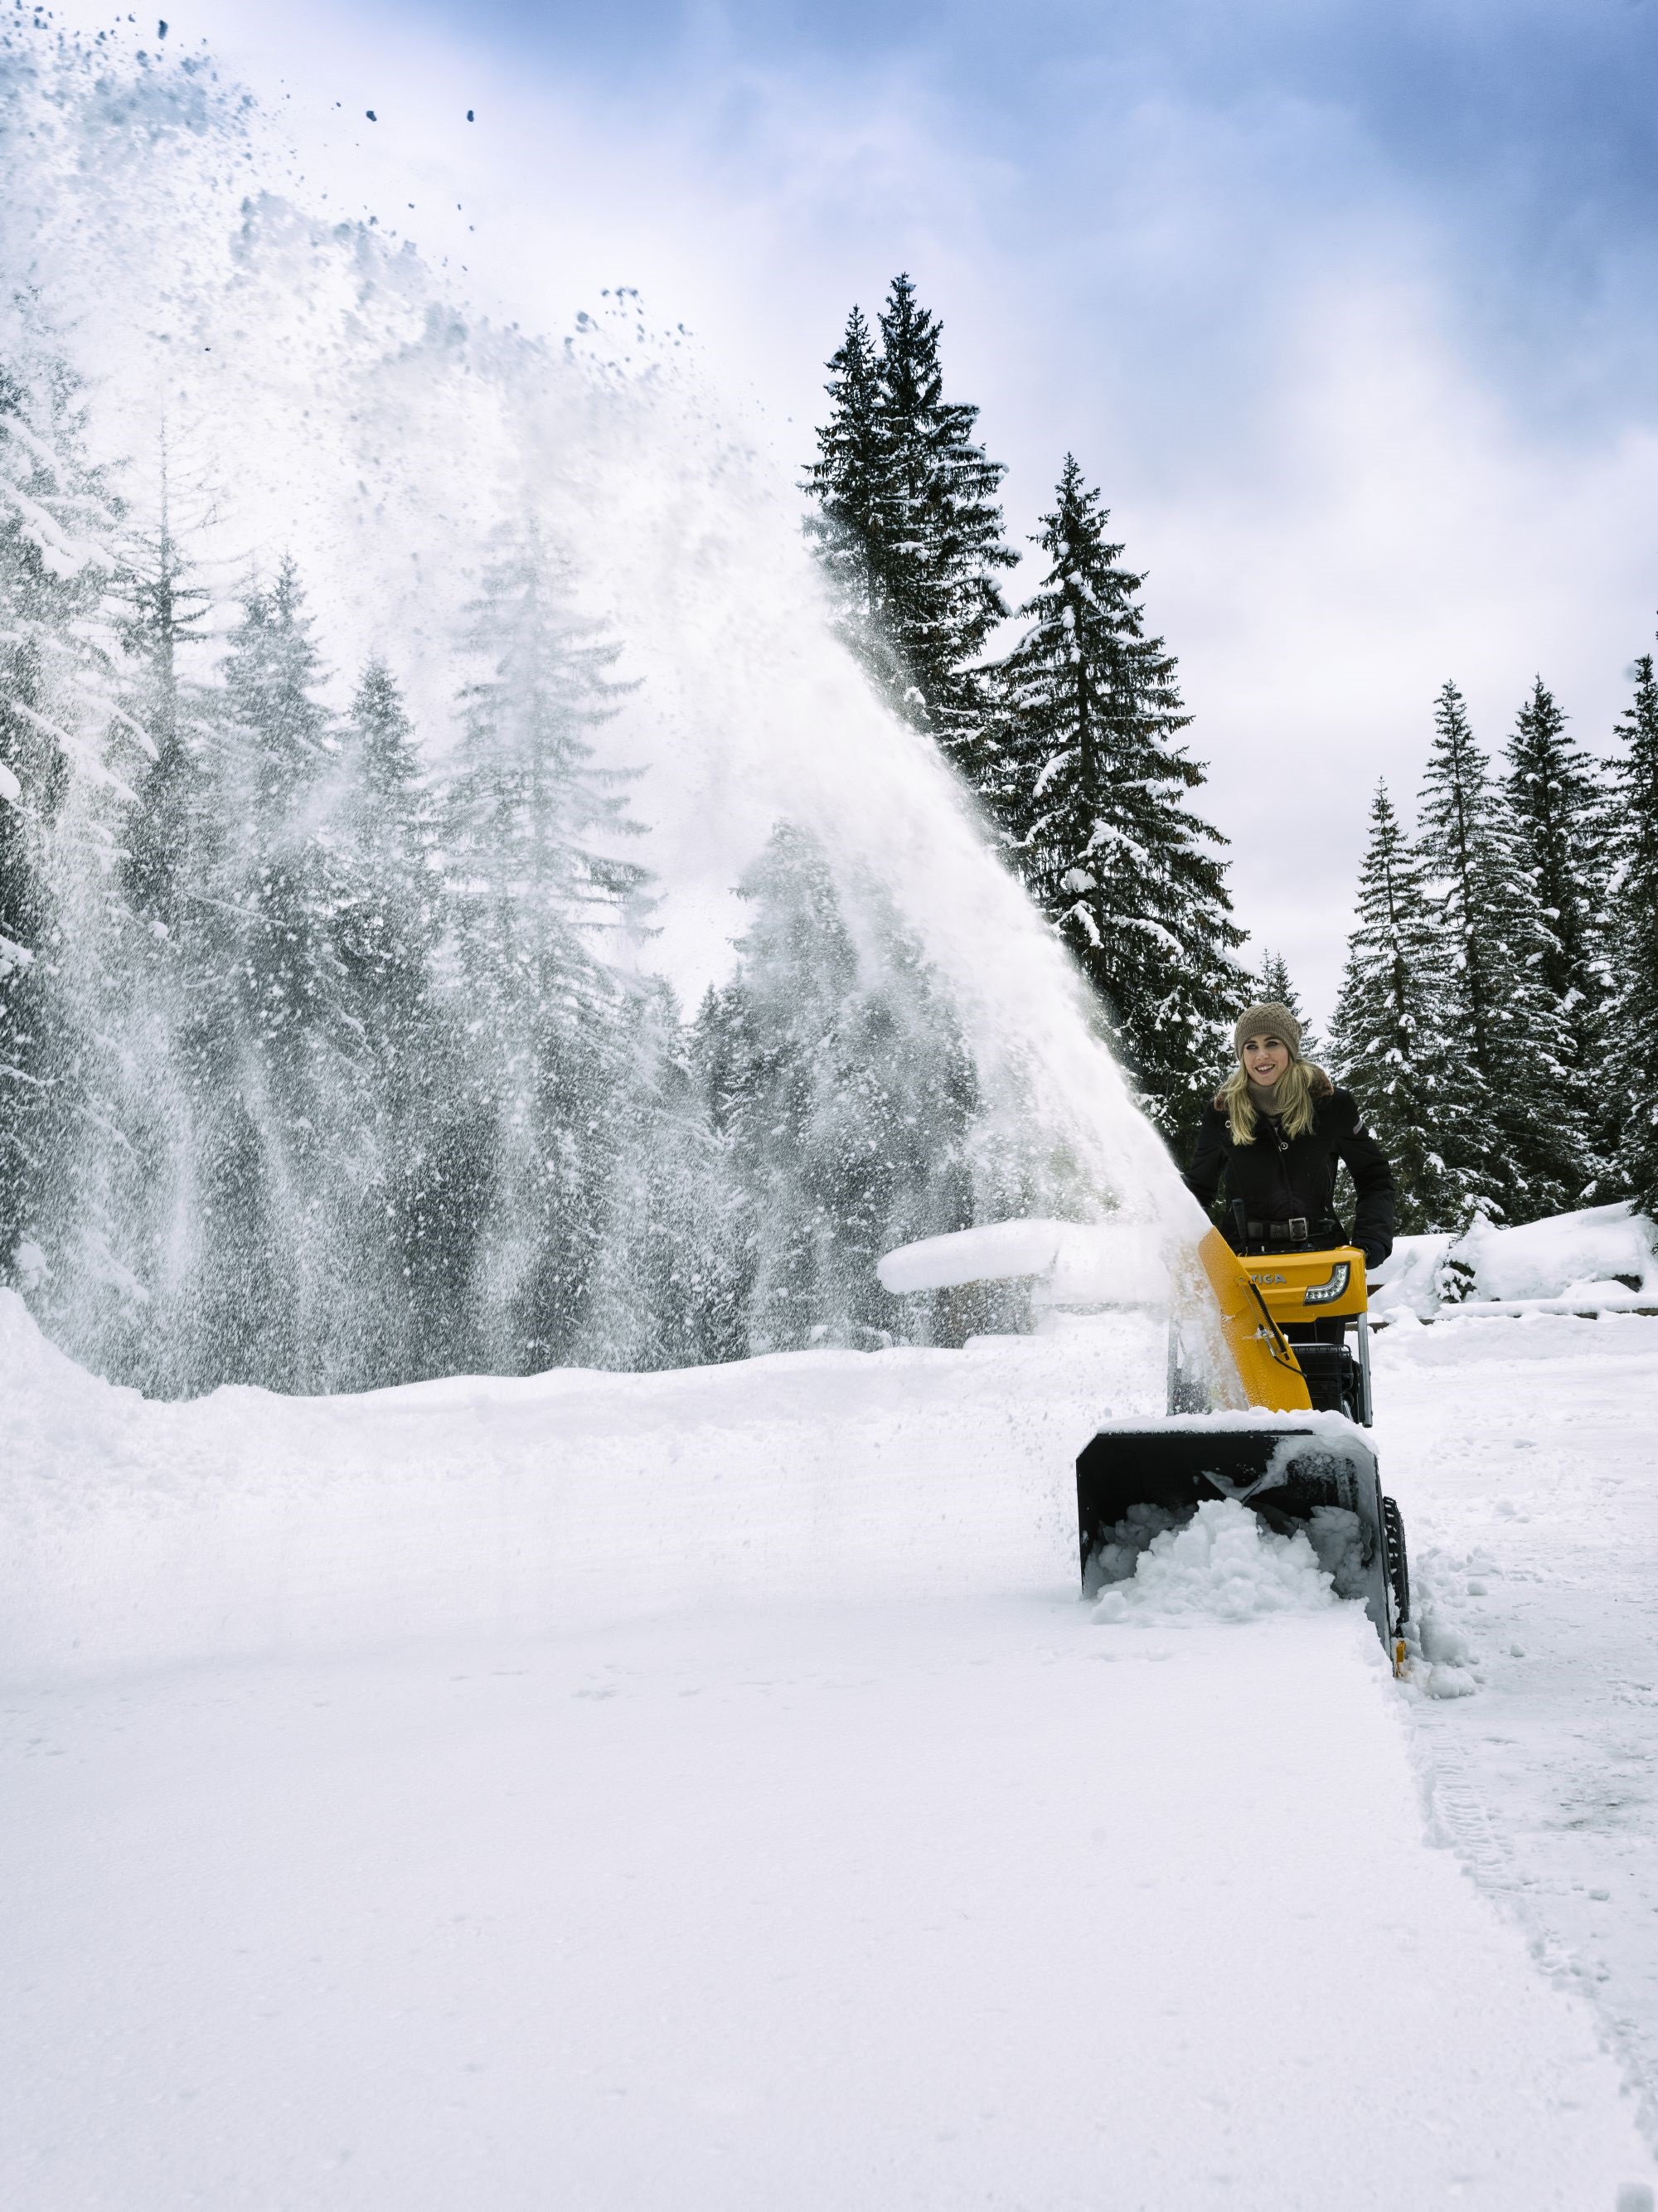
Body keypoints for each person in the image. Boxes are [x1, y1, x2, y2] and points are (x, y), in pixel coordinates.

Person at [1185, 1002, 1395, 1342]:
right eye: (1250, 1047)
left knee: (1322, 1374)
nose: (1261, 1056)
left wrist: (1369, 1243)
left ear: (1290, 1049)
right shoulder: (1221, 1112)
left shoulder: (1330, 1105)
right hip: (1244, 1266)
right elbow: (1199, 1189)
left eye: (1272, 1043)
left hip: (1317, 1261)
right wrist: (1177, 1238)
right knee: (1250, 1384)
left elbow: (1374, 1178)